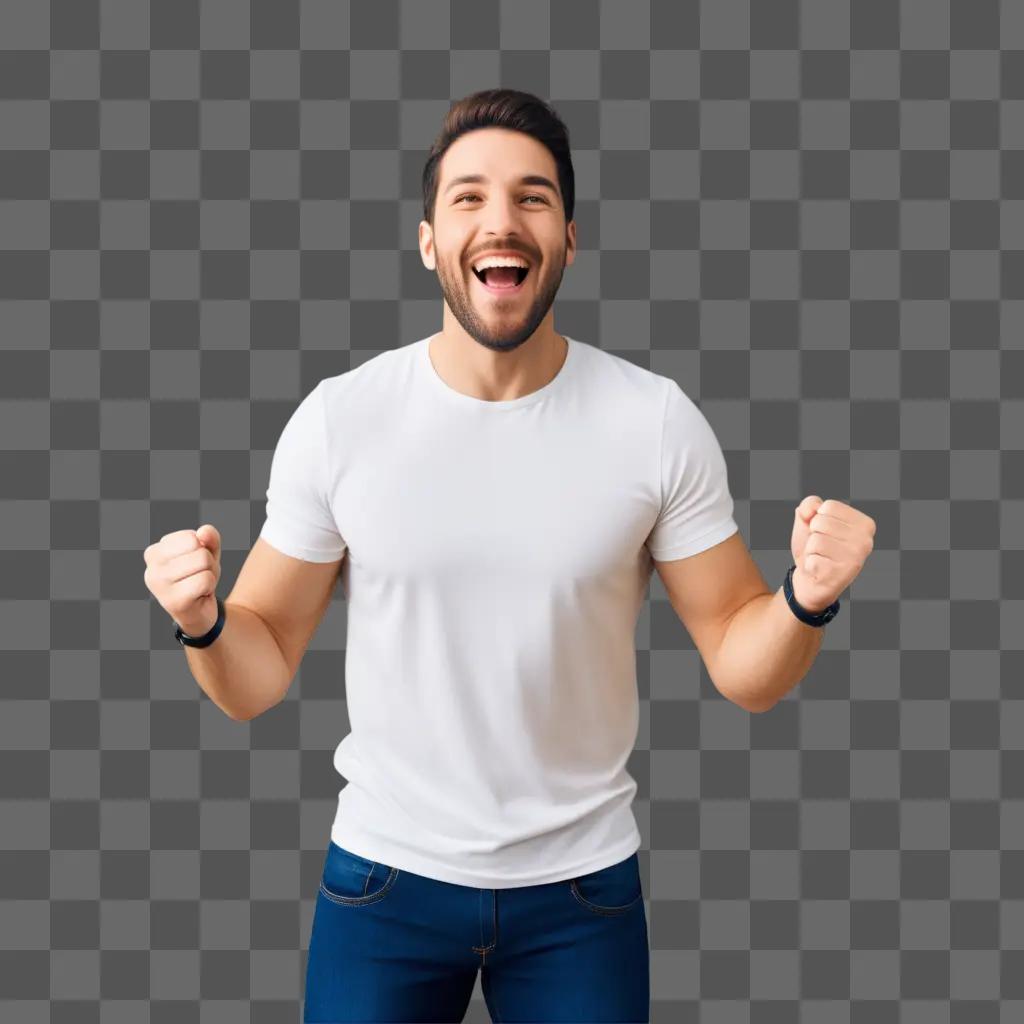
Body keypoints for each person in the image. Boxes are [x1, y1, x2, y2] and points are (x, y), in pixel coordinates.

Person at [148, 87, 857, 1023]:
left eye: (532, 197)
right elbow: (258, 669)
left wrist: (806, 597)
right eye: (469, 196)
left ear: (569, 236)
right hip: (384, 884)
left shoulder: (653, 423)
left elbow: (743, 660)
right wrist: (201, 622)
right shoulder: (340, 420)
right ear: (431, 240)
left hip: (581, 895)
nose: (502, 218)